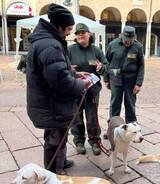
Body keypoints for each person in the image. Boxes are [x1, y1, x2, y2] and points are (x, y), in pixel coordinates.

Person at [26, 3, 90, 174]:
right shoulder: (51, 45)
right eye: (68, 28)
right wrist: (82, 83)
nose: (70, 32)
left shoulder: (47, 41)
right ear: (59, 27)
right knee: (55, 140)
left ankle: (60, 161)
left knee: (57, 137)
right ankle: (54, 172)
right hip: (52, 105)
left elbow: (56, 72)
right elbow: (61, 82)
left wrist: (74, 73)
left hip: (49, 103)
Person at [68, 23, 107, 155]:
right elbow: (62, 67)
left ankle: (95, 141)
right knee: (76, 117)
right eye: (78, 33)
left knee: (92, 117)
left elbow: (106, 67)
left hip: (92, 92)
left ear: (89, 34)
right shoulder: (70, 50)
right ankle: (79, 141)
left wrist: (101, 68)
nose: (80, 35)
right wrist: (69, 69)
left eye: (83, 32)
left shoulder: (96, 50)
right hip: (75, 90)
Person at [104, 26, 144, 126]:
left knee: (130, 104)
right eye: (126, 40)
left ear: (134, 38)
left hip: (131, 79)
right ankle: (113, 127)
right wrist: (106, 79)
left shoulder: (138, 47)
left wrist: (138, 84)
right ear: (122, 36)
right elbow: (106, 62)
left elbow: (141, 65)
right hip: (115, 77)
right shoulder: (112, 45)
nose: (128, 42)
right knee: (115, 104)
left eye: (130, 40)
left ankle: (131, 127)